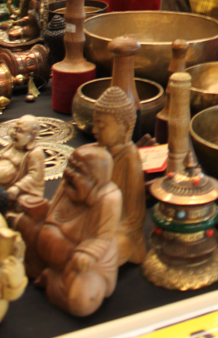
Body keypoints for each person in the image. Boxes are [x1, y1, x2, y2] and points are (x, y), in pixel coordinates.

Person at [16, 145, 122, 317]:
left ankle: (50, 279)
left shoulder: (108, 198)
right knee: (20, 223)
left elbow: (103, 238)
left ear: (95, 180)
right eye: (70, 166)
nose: (69, 173)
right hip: (51, 251)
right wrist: (38, 208)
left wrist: (87, 253)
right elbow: (51, 211)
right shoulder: (68, 184)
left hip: (80, 265)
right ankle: (39, 268)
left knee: (81, 301)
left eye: (78, 170)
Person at [92, 86, 147, 266]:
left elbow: (134, 217)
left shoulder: (130, 157)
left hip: (123, 230)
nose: (94, 130)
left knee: (97, 255)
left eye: (101, 125)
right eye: (95, 124)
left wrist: (105, 230)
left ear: (124, 127)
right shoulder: (99, 153)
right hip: (99, 221)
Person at [0, 115, 44, 221]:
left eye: (19, 131)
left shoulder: (35, 153)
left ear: (32, 135)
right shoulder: (13, 145)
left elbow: (35, 176)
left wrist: (18, 187)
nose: (14, 133)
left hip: (11, 191)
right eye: (14, 129)